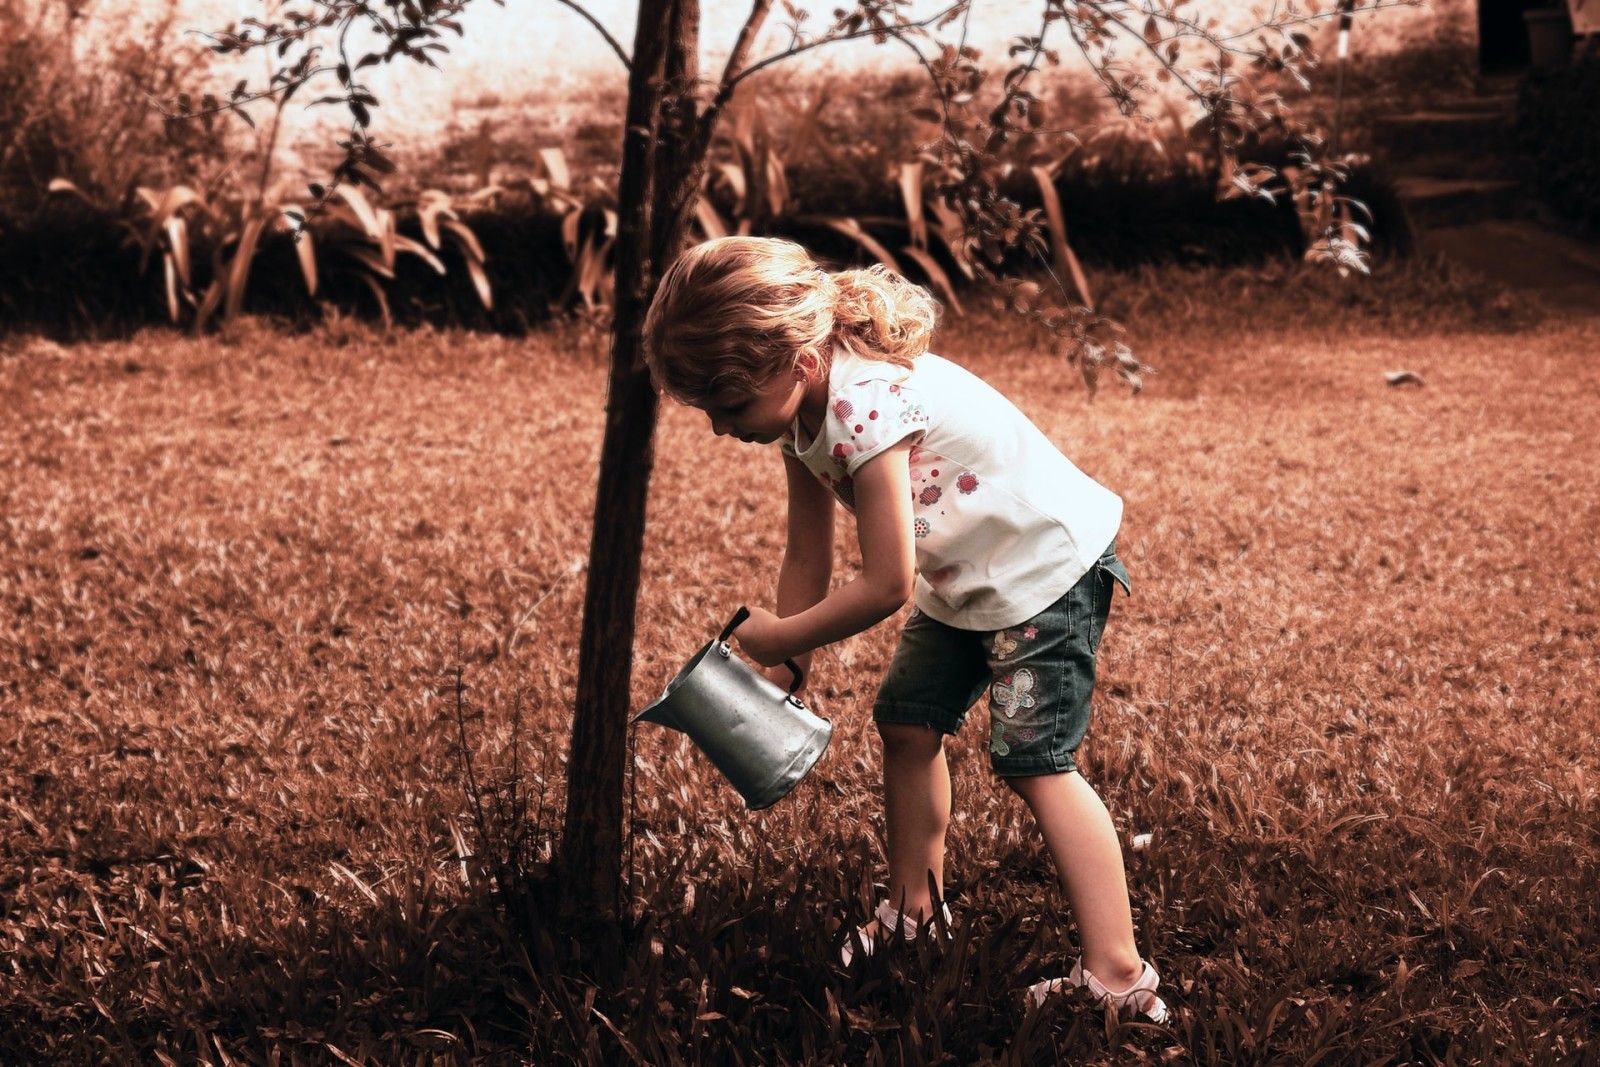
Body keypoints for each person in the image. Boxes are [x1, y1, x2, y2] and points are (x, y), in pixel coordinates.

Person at [641, 235, 1168, 1023]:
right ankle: (914, 916)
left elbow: (888, 582)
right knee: (908, 724)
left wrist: (782, 637)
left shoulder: (863, 405)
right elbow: (807, 554)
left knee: (1035, 763)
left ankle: (1120, 978)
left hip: (1042, 573)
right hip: (970, 578)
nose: (719, 427)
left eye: (728, 405)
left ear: (800, 363)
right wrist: (789, 655)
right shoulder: (803, 410)